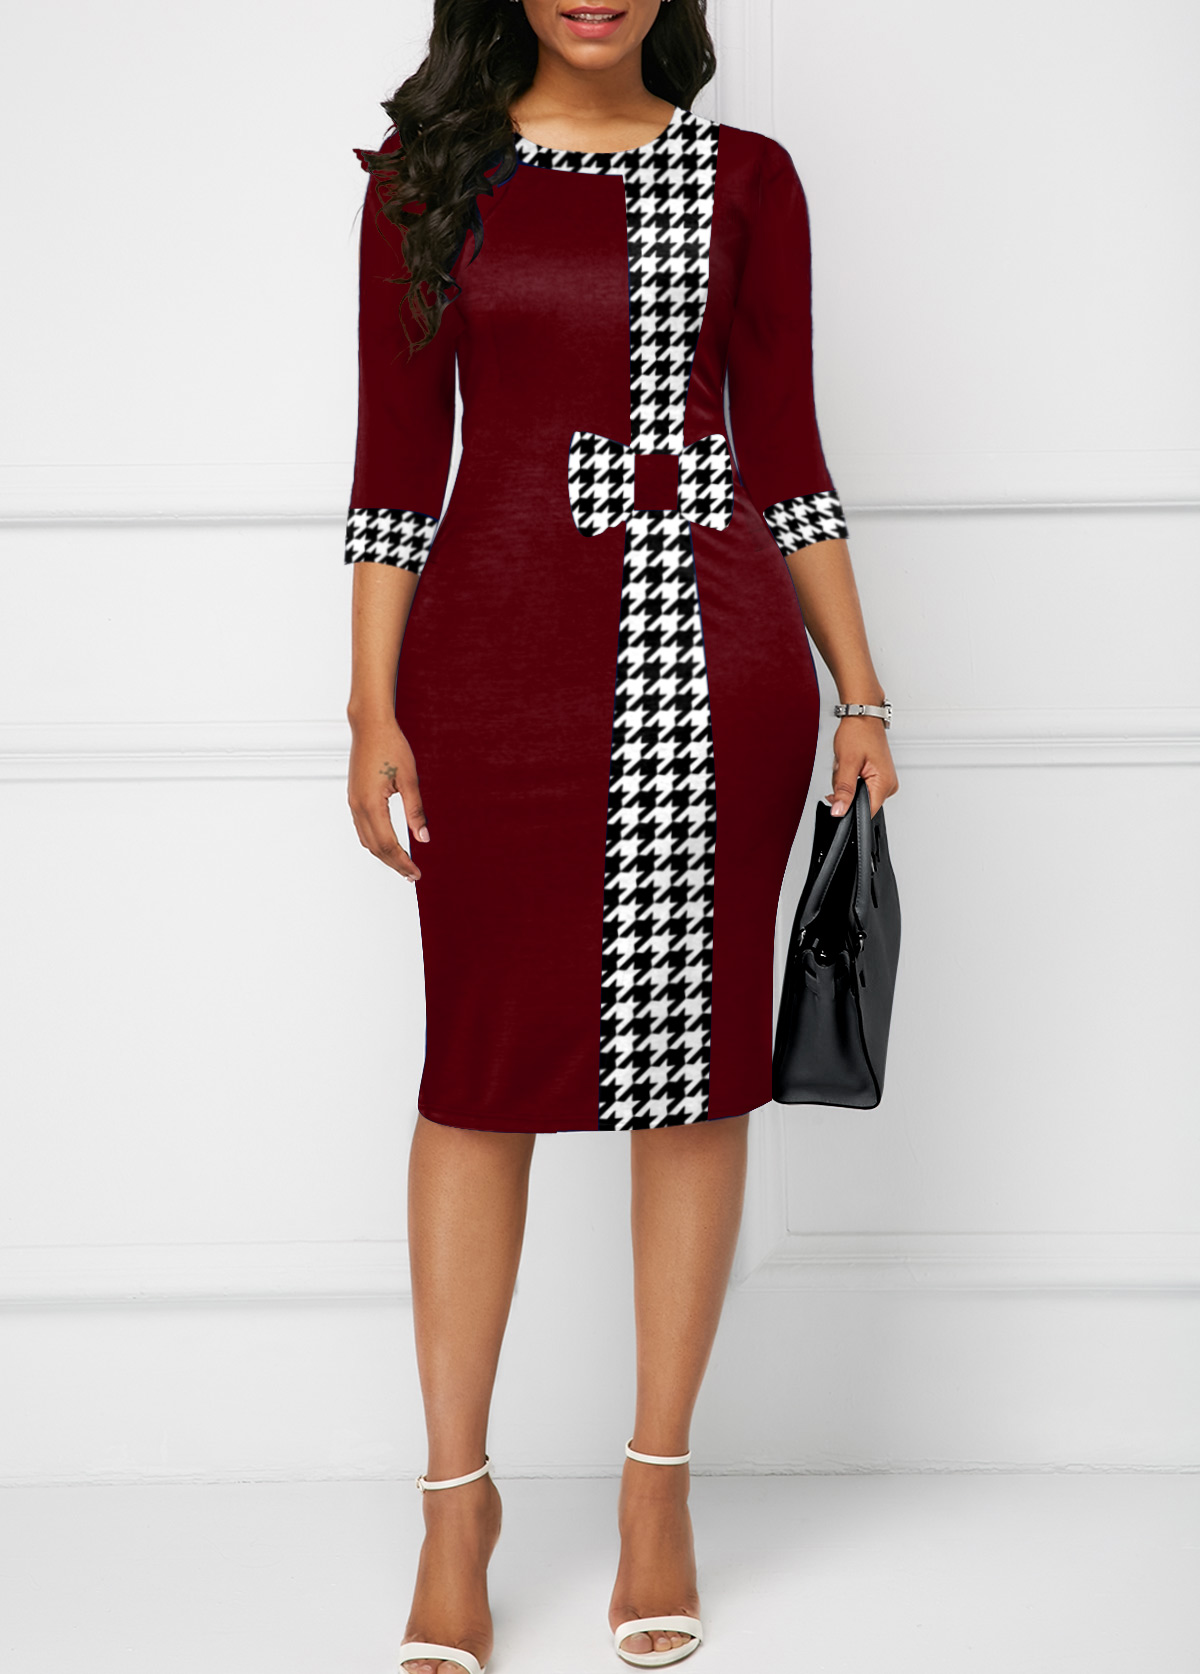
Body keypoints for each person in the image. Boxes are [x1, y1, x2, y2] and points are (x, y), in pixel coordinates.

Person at [343, 2, 899, 1668]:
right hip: (492, 658)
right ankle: (456, 1501)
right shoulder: (431, 181)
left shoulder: (748, 180)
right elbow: (395, 466)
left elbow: (785, 451)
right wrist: (370, 709)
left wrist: (861, 691)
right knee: (476, 1072)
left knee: (696, 1069)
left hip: (712, 661)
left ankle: (659, 1488)